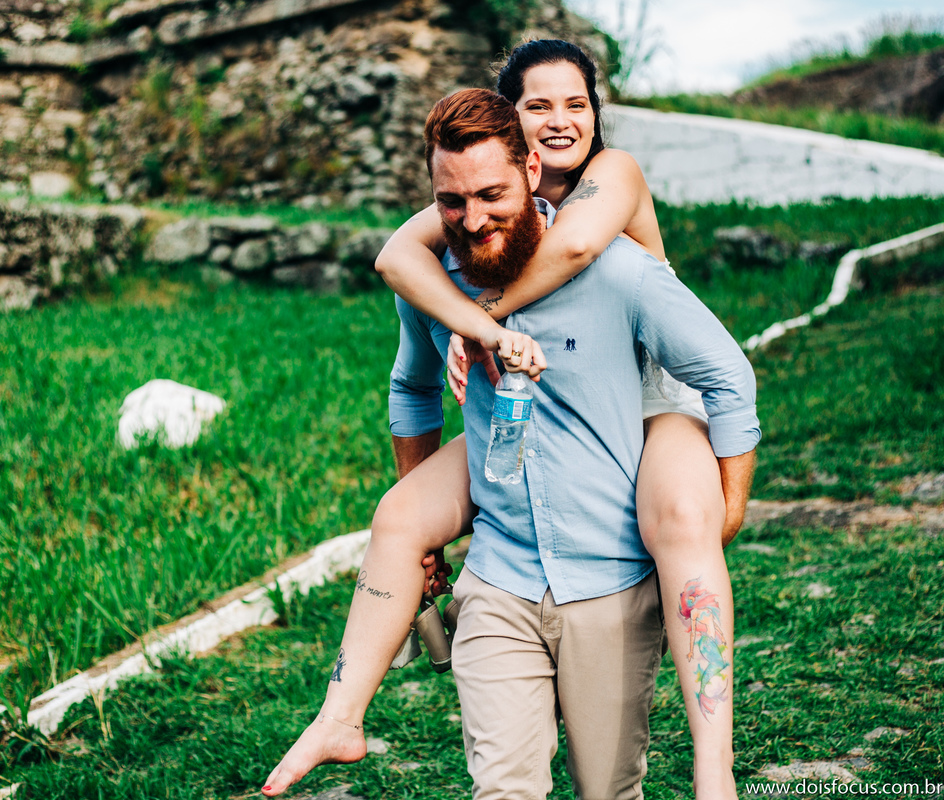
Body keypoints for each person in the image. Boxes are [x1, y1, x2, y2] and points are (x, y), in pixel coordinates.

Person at [263, 42, 757, 800]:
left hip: (652, 400)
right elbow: (402, 309)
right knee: (400, 516)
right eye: (539, 106)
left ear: (531, 165)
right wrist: (462, 316)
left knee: (686, 526)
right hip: (508, 541)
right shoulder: (441, 260)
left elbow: (594, 256)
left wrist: (481, 320)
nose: (561, 121)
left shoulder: (612, 213)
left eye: (577, 104)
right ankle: (340, 714)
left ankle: (713, 771)